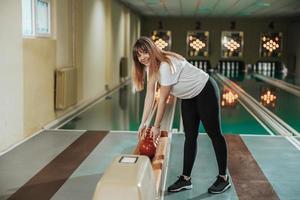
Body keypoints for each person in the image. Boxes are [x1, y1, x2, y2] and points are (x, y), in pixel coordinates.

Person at [132, 36, 231, 194]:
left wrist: (157, 127)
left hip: (205, 90)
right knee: (190, 137)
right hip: (188, 97)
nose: (142, 57)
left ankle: (223, 178)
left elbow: (163, 99)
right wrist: (143, 123)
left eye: (145, 52)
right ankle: (185, 179)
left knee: (214, 134)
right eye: (138, 55)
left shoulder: (164, 65)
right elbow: (150, 96)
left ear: (152, 49)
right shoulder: (150, 67)